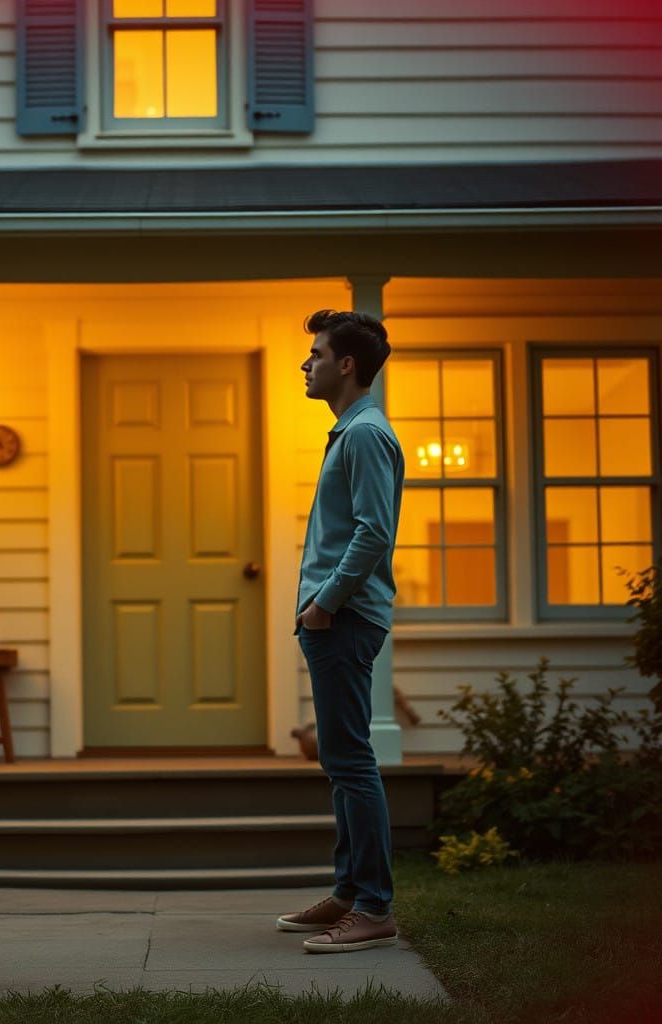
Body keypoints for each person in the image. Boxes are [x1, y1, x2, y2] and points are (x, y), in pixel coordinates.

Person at [276, 310, 404, 954]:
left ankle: (374, 908)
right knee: (341, 760)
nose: (307, 364)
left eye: (317, 354)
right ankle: (350, 891)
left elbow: (374, 532)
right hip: (334, 618)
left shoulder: (365, 435)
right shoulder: (350, 431)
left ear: (346, 365)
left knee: (352, 763)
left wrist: (323, 604)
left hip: (345, 618)